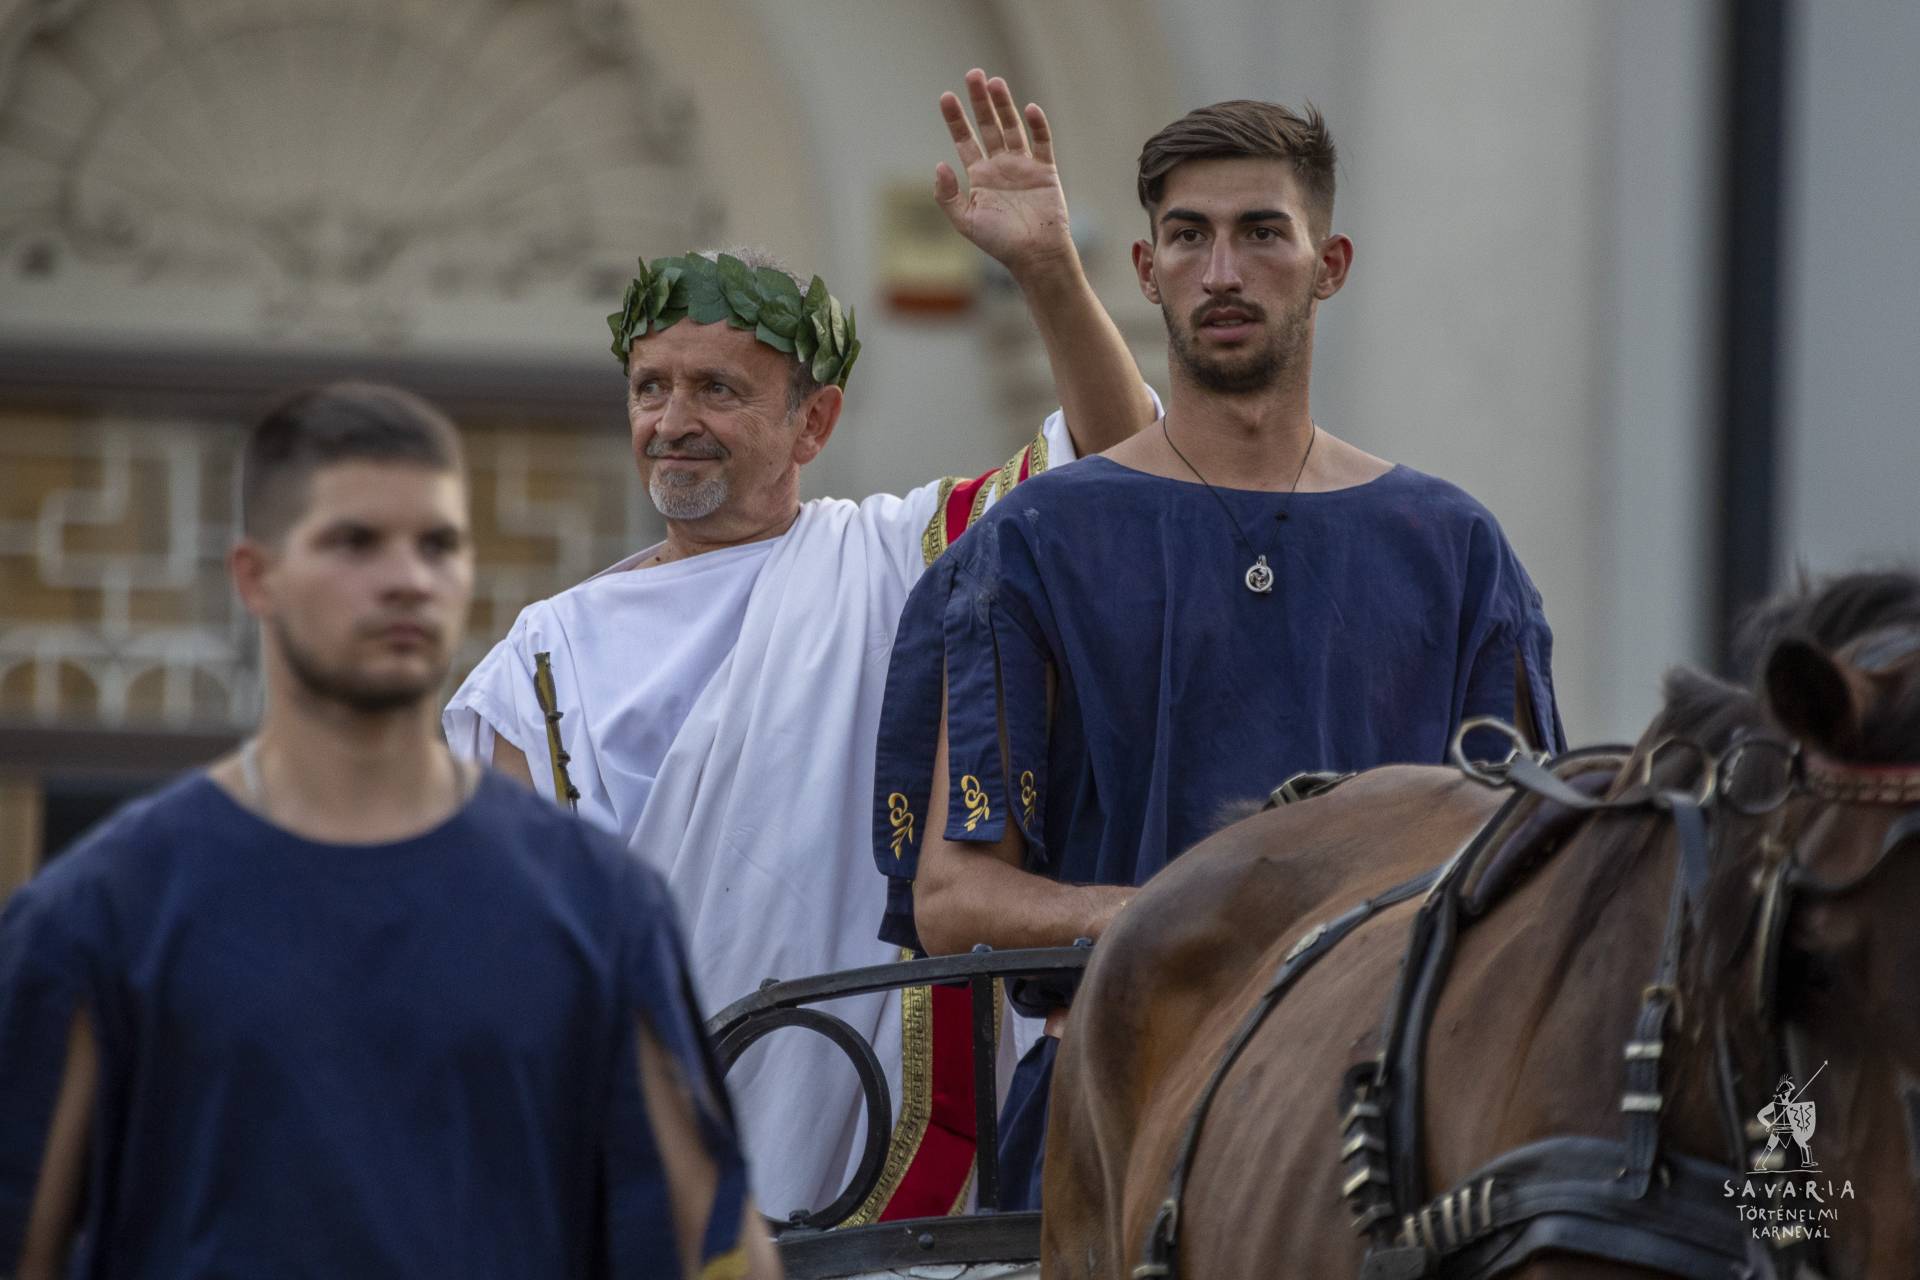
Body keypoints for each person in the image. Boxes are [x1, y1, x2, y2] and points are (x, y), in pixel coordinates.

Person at [444, 70, 1157, 1223]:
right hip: (649, 1173)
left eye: (717, 388)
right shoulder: (543, 657)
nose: (673, 420)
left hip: (891, 1160)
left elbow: (1120, 467)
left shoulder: (901, 554)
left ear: (812, 421)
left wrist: (1046, 271)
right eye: (650, 386)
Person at [871, 98, 1567, 1209]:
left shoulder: (1451, 548)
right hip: (1115, 1111)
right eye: (1189, 237)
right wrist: (1178, 912)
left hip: (1383, 1124)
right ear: (1147, 270)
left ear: (1329, 264)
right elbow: (952, 895)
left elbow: (1531, 864)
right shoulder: (1035, 542)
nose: (1223, 271)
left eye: (1262, 233)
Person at [0, 385, 779, 1280]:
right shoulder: (103, 914)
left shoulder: (595, 903)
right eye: (354, 542)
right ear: (255, 577)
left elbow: (713, 1243)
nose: (408, 577)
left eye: (437, 545)